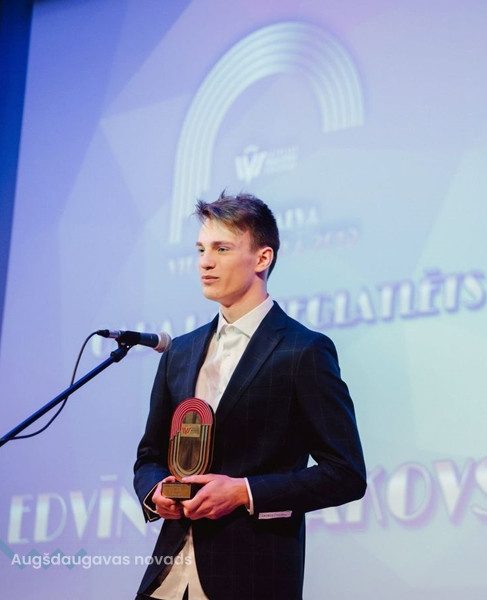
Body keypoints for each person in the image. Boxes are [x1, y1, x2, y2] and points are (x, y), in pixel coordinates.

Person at [133, 192, 367, 599]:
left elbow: (345, 474)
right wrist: (155, 492)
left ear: (262, 258)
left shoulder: (303, 350)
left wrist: (243, 492)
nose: (205, 262)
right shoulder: (179, 352)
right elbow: (150, 456)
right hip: (167, 577)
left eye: (221, 249)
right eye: (201, 249)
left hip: (253, 577)